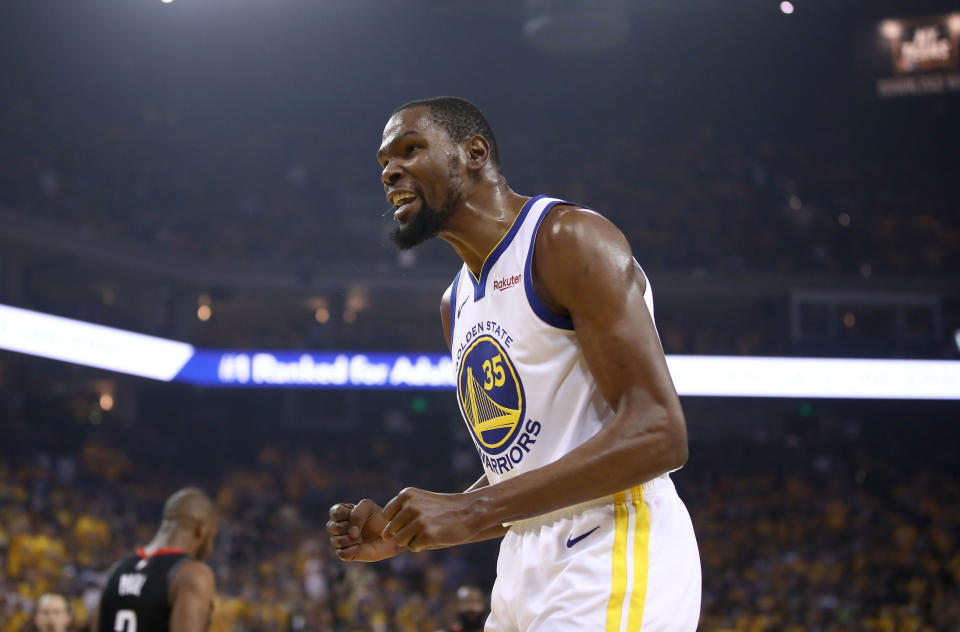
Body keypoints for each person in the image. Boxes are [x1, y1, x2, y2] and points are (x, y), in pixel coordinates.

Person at [327, 96, 701, 630]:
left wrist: (469, 511)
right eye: (384, 162)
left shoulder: (566, 239)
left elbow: (660, 433)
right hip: (522, 562)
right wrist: (407, 530)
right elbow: (524, 466)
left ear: (474, 153)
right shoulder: (453, 305)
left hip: (613, 540)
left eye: (410, 149)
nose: (391, 171)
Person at [91, 488, 218, 632]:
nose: (211, 547)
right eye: (212, 535)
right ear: (201, 530)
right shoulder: (193, 574)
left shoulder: (116, 570)